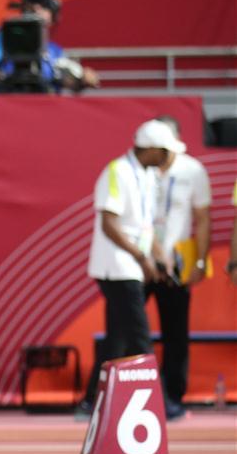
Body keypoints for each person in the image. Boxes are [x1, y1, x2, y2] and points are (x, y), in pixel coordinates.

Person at [80, 119, 184, 414]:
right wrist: (142, 257)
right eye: (165, 152)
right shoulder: (117, 171)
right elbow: (109, 224)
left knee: (117, 340)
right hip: (117, 268)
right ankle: (160, 404)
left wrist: (160, 257)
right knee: (139, 337)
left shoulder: (146, 176)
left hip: (132, 266)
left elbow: (145, 227)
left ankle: (91, 400)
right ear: (150, 150)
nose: (168, 158)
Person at [146, 115, 211, 420]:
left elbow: (203, 218)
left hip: (176, 261)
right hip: (141, 261)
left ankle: (172, 396)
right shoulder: (141, 168)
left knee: (175, 332)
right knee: (129, 328)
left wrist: (200, 260)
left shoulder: (192, 170)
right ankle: (125, 394)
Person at [0, 0, 99, 93]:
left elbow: (68, 82)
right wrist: (0, 84)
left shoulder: (55, 52)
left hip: (41, 111)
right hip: (8, 107)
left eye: (44, 6)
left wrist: (83, 80)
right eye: (33, 4)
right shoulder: (7, 38)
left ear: (52, 18)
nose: (37, 8)